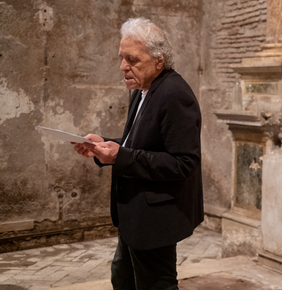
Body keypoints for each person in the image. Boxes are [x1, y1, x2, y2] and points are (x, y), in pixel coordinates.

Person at [73, 17, 203, 290]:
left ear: (159, 59)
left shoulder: (175, 94)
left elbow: (183, 163)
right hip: (135, 211)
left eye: (132, 59)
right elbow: (141, 143)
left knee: (156, 284)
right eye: (122, 58)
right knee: (123, 278)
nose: (123, 67)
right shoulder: (143, 89)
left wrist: (120, 157)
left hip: (157, 214)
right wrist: (103, 145)